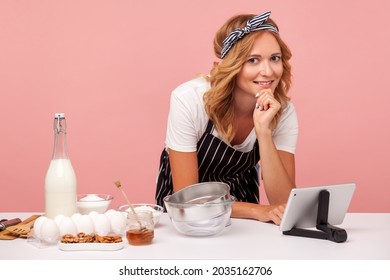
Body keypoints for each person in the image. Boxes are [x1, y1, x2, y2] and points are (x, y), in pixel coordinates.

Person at [155, 11, 298, 225]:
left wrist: (264, 131)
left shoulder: (282, 111)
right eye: (253, 60)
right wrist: (258, 211)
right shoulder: (190, 99)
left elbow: (284, 203)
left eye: (274, 58)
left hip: (245, 213)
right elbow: (188, 200)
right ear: (232, 64)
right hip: (187, 216)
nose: (267, 71)